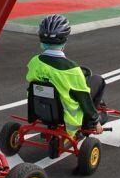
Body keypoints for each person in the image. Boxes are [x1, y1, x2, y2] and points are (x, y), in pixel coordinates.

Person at [26, 14, 104, 144]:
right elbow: (84, 99)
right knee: (98, 80)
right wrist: (95, 121)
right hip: (66, 117)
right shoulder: (73, 70)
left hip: (41, 109)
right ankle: (88, 123)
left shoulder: (34, 62)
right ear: (64, 40)